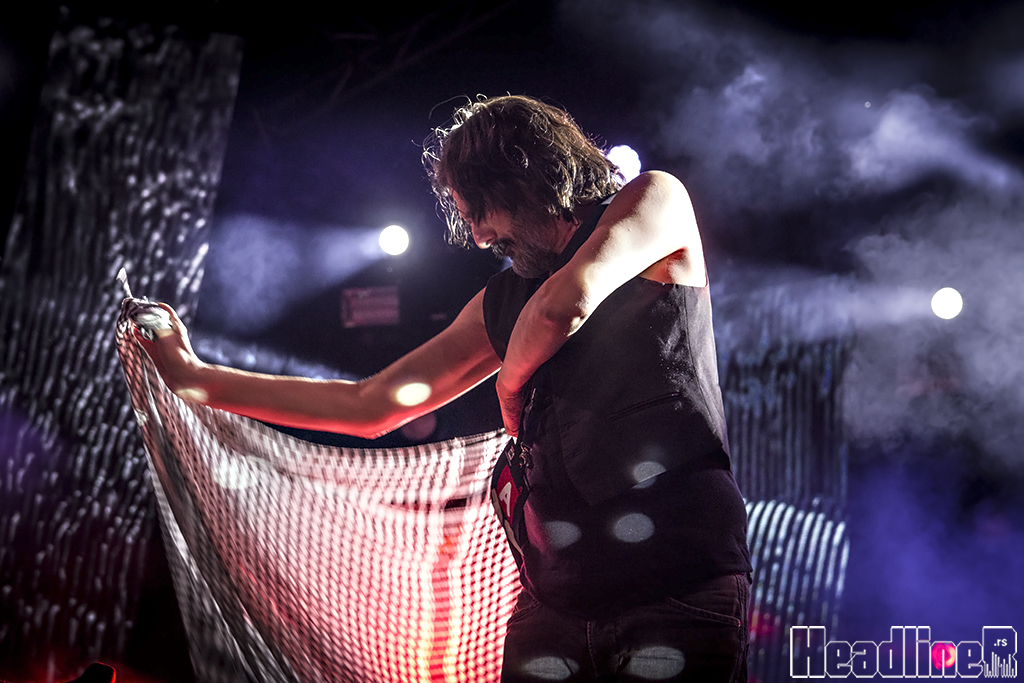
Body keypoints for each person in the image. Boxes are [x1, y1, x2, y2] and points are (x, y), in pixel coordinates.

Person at [143, 95, 752, 682]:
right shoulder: (503, 299)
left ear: (525, 177)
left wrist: (509, 387)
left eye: (480, 210)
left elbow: (564, 306)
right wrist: (195, 378)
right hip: (557, 603)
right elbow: (372, 405)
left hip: (676, 583)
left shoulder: (653, 199)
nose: (480, 236)